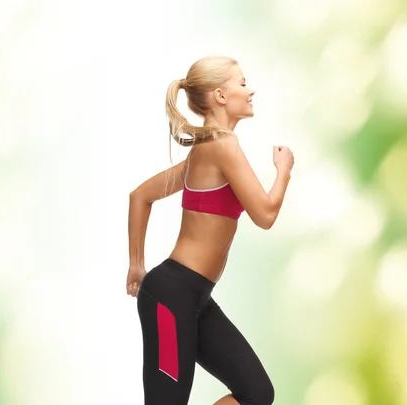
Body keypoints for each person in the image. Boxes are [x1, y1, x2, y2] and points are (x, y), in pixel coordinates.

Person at [125, 56, 294, 405]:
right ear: (220, 95)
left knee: (257, 393)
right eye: (242, 82)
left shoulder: (204, 152)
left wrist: (138, 264)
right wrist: (283, 171)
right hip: (170, 298)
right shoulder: (222, 146)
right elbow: (264, 214)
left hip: (194, 298)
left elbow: (141, 195)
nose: (250, 90)